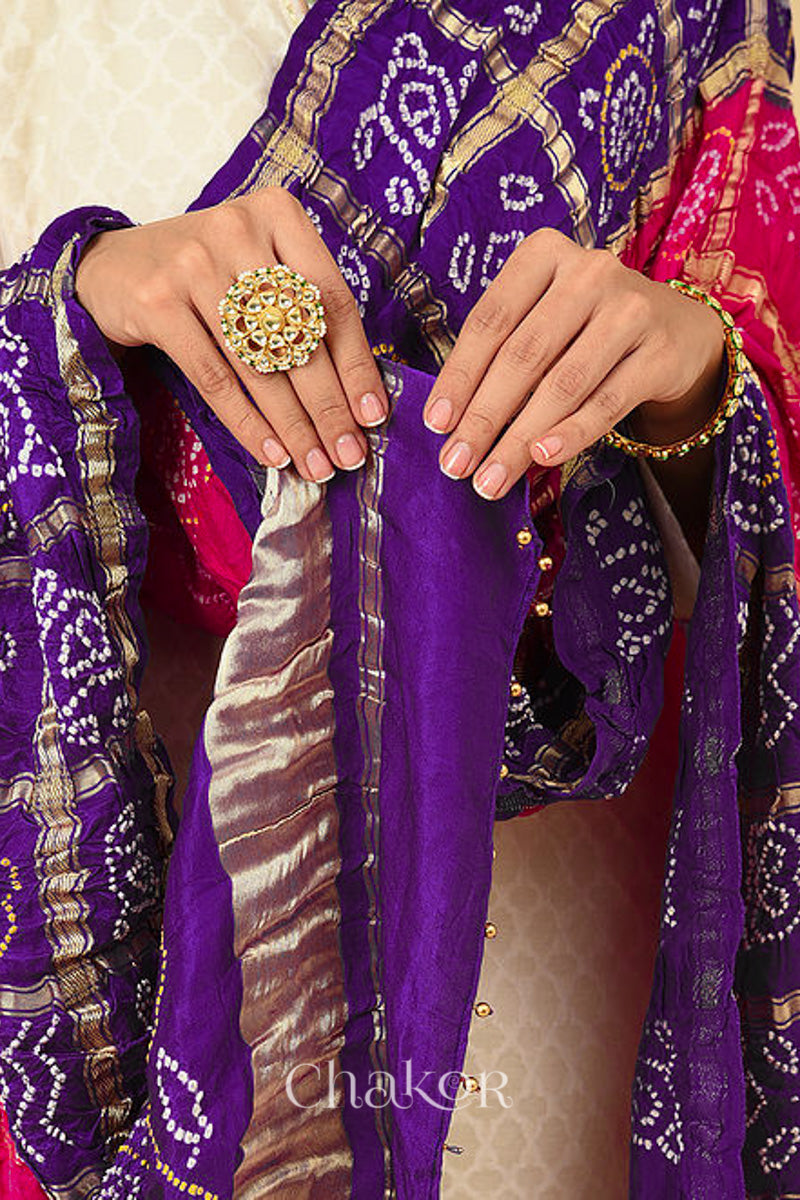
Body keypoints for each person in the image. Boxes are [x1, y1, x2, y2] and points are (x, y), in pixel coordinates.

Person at [0, 0, 799, 1197]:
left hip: (558, 953)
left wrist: (694, 380)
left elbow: (743, 513)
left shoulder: (692, 21)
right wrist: (72, 305)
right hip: (153, 894)